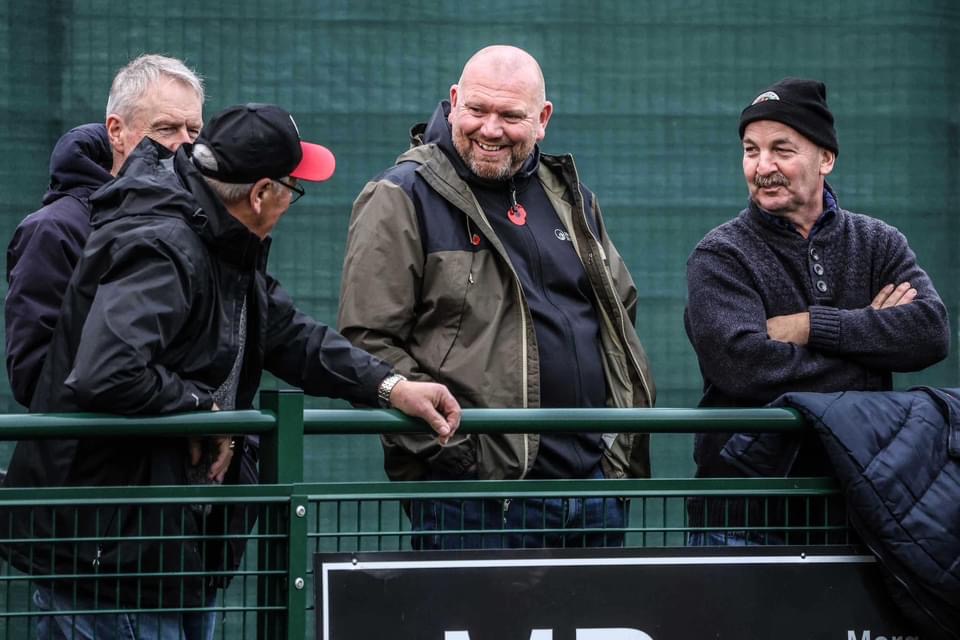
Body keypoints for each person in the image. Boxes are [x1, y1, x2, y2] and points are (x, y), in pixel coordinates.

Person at [2, 103, 461, 639]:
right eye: (292, 186)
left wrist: (391, 386)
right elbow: (108, 370)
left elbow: (292, 336)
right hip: (111, 561)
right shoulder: (164, 241)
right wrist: (206, 411)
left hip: (166, 553)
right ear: (261, 193)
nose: (292, 197)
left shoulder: (219, 235)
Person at [338, 45, 655, 549]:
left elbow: (617, 324)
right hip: (476, 502)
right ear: (453, 102)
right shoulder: (401, 195)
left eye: (510, 116)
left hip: (593, 494)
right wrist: (461, 458)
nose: (490, 129)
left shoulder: (571, 197)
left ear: (542, 119)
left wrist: (611, 459)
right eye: (477, 110)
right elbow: (367, 342)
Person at [684, 77, 949, 544]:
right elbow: (742, 364)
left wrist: (812, 326)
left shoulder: (878, 242)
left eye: (781, 150)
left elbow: (929, 332)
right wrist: (870, 357)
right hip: (744, 519)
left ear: (825, 158)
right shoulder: (720, 254)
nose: (763, 166)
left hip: (858, 510)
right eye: (751, 150)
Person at [5, 53, 204, 409]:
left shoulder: (197, 225)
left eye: (194, 131)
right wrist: (177, 401)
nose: (184, 145)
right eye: (166, 129)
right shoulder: (55, 230)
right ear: (116, 132)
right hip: (96, 443)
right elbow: (35, 377)